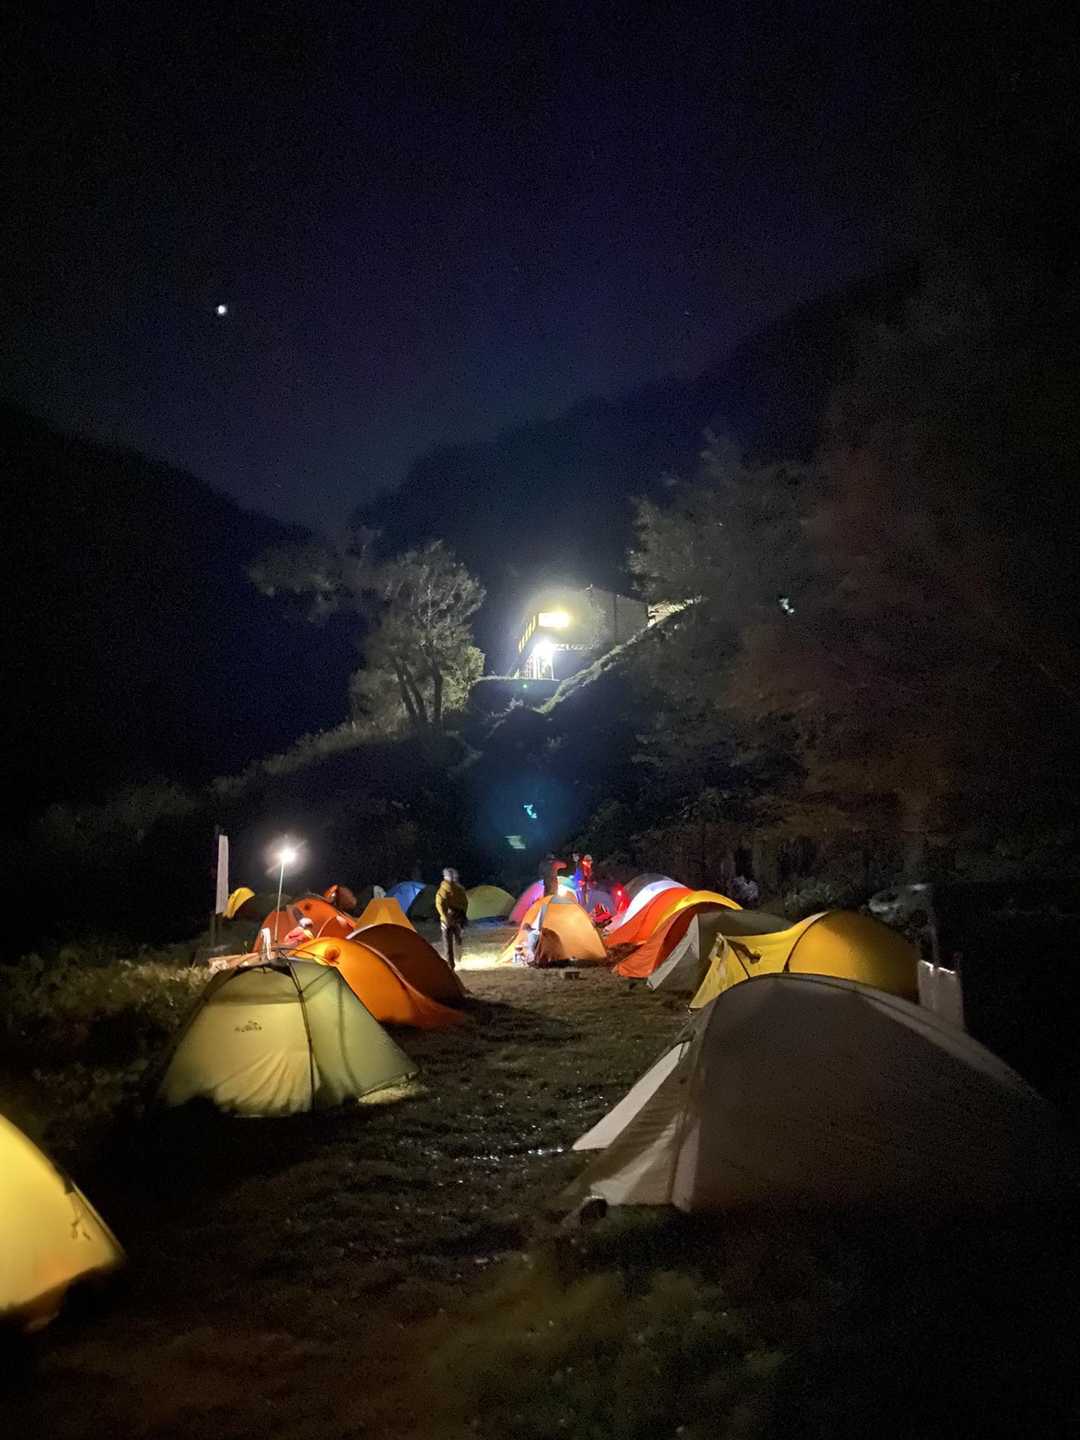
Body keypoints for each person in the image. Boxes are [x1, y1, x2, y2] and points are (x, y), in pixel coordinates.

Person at [435, 866, 469, 969]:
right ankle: (459, 959)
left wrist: (444, 917)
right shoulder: (460, 889)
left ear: (444, 877)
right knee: (458, 939)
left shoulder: (441, 890)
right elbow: (465, 903)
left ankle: (451, 965)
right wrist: (462, 915)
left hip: (447, 919)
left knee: (447, 943)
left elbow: (439, 904)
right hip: (458, 918)